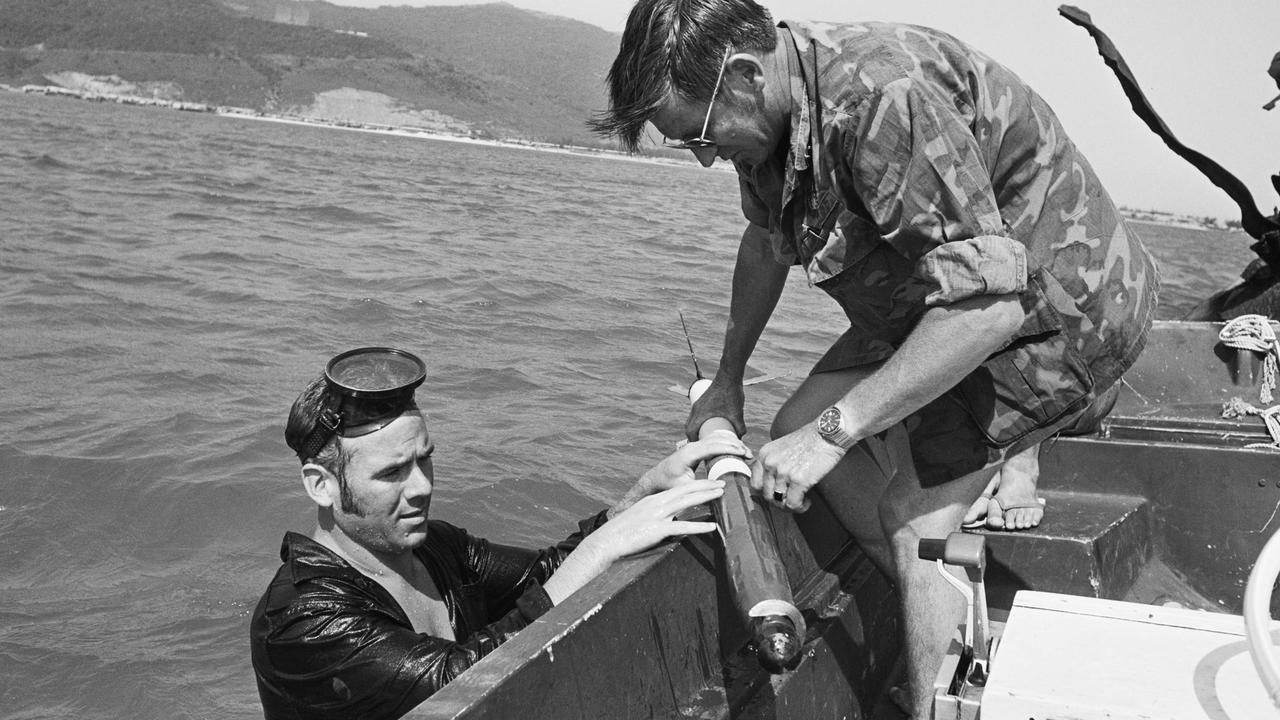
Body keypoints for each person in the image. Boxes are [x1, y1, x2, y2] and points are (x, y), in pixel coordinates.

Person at [590, 2, 1157, 717]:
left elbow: (994, 306)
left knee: (911, 513)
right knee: (793, 420)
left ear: (741, 77)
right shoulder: (767, 121)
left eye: (700, 137)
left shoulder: (883, 98)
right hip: (944, 299)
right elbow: (765, 240)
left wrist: (837, 431)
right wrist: (728, 380)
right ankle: (945, 620)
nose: (705, 159)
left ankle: (940, 672)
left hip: (1059, 305)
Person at [250, 347, 746, 720]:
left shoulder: (434, 544)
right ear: (322, 486)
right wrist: (600, 547)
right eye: (391, 473)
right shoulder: (302, 621)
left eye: (426, 459)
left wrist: (643, 491)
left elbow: (549, 574)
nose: (421, 487)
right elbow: (456, 683)